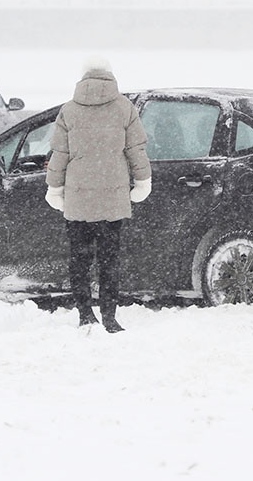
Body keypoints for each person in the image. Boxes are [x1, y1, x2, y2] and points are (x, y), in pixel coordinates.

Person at [45, 57, 152, 332]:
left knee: (79, 259)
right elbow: (136, 151)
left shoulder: (69, 111)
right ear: (110, 76)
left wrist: (54, 187)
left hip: (78, 197)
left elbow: (60, 155)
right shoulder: (124, 108)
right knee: (109, 260)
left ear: (82, 77)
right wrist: (142, 181)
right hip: (112, 197)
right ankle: (110, 316)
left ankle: (84, 314)